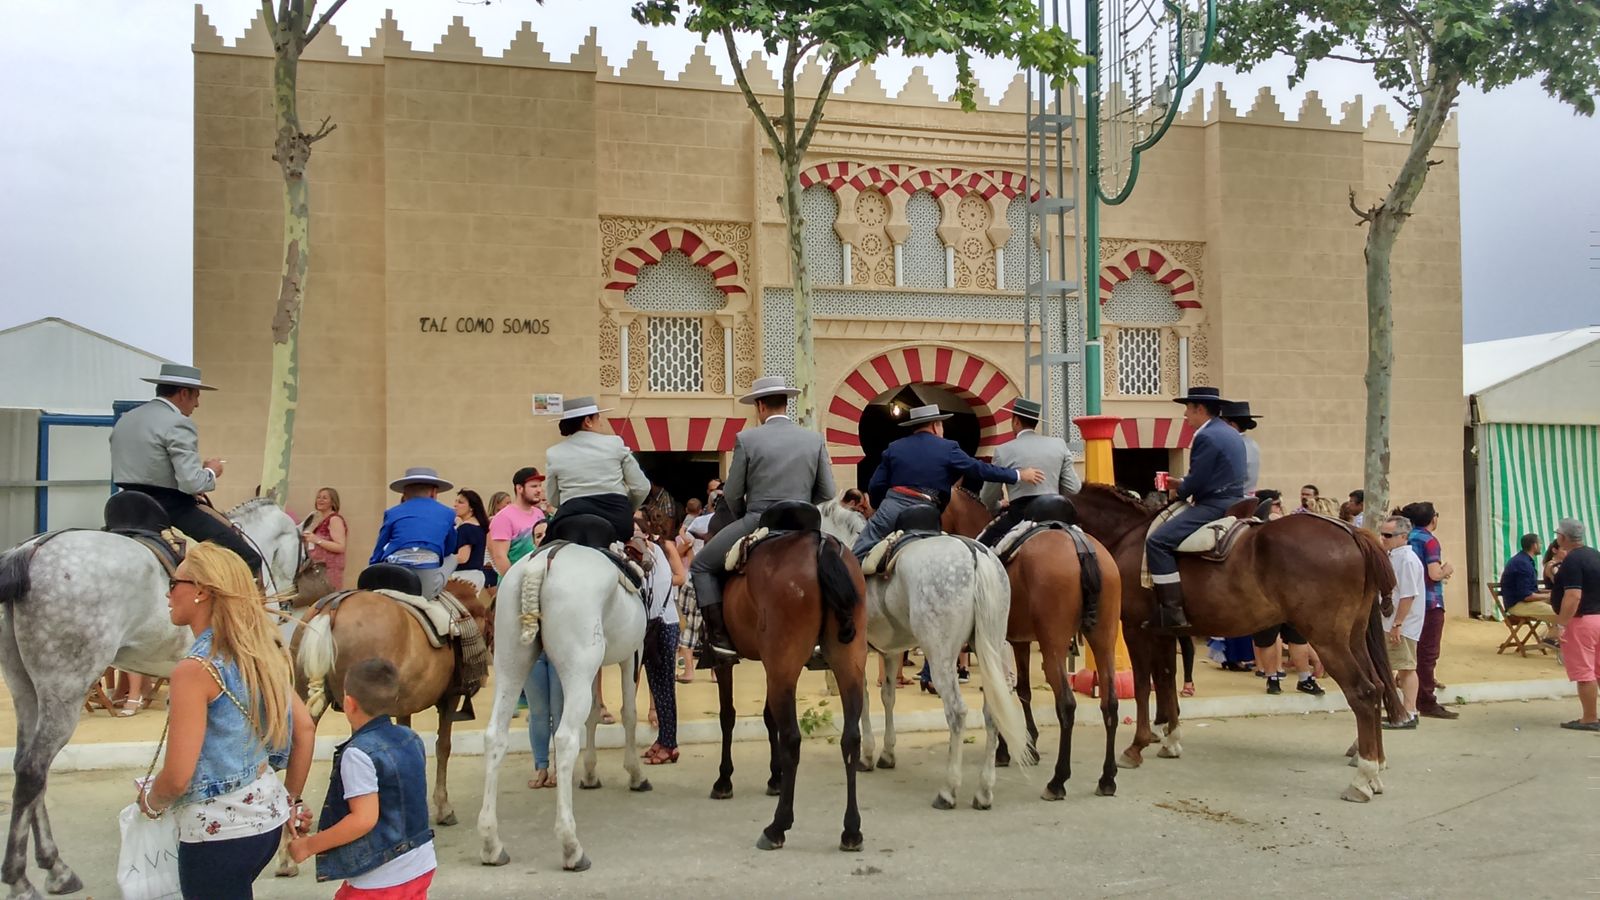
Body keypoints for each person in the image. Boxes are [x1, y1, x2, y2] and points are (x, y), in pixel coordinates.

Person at [136, 542, 316, 900]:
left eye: (174, 582)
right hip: (266, 819)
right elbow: (305, 729)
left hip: (216, 833)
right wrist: (292, 800)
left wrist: (150, 802)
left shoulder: (194, 670)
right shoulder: (261, 650)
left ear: (201, 590)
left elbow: (177, 777)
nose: (168, 592)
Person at [692, 376, 836, 658]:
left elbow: (732, 493)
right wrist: (803, 506)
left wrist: (745, 516)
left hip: (760, 519)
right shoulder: (813, 438)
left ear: (760, 406)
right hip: (804, 524)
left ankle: (719, 640)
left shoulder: (747, 439)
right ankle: (823, 636)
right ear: (786, 404)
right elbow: (828, 491)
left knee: (701, 566)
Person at [288, 658, 437, 897]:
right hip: (421, 863)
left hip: (382, 875)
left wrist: (308, 846)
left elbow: (363, 820)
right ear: (394, 699)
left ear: (348, 703)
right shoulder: (411, 737)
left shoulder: (357, 754)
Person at [110, 363, 263, 575]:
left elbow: (150, 465)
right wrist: (210, 471)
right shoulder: (178, 423)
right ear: (184, 393)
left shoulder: (127, 419)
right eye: (196, 396)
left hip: (125, 506)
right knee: (248, 557)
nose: (197, 404)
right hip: (169, 507)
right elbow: (192, 482)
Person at [853, 404, 1043, 559]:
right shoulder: (948, 448)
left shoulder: (894, 448)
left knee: (857, 554)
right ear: (936, 425)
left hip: (893, 507)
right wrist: (1018, 475)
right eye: (942, 425)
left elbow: (875, 485)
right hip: (928, 511)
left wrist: (881, 505)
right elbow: (980, 470)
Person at [1145, 387, 1247, 633]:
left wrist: (1178, 490)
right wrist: (1184, 483)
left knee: (1157, 541)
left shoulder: (1207, 436)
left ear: (1200, 409)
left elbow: (1198, 480)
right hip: (1235, 499)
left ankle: (1172, 610)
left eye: (1187, 410)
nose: (1185, 416)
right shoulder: (1230, 433)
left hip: (1214, 504)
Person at [544, 397, 651, 543]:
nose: (601, 423)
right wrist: (626, 507)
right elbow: (641, 487)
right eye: (598, 418)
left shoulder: (554, 453)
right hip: (616, 519)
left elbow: (553, 498)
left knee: (542, 555)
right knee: (635, 558)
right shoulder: (614, 443)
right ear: (588, 421)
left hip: (570, 520)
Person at [977, 397, 1080, 546]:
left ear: (1016, 421)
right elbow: (1074, 489)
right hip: (1058, 514)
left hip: (1021, 516)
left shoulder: (1003, 451)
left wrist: (998, 507)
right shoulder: (1059, 445)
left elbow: (987, 497)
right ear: (1035, 422)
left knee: (982, 549)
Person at [635, 512, 684, 765]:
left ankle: (670, 743)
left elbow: (677, 577)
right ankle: (663, 739)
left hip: (663, 624)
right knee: (657, 685)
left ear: (645, 533)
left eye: (636, 532)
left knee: (665, 688)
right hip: (653, 625)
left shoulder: (657, 551)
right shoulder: (641, 553)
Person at [1402, 501, 1458, 719]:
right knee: (1428, 654)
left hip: (1409, 602)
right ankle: (1426, 699)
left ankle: (1413, 696)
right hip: (1430, 602)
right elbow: (1434, 574)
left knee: (1412, 651)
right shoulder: (1429, 540)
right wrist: (1447, 569)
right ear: (1433, 519)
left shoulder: (1406, 538)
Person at [370, 467, 459, 598]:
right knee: (452, 558)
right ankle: (435, 593)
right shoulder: (448, 513)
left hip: (395, 569)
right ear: (434, 493)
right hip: (426, 570)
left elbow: (380, 547)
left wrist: (373, 567)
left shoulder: (392, 512)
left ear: (405, 494)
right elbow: (450, 547)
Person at [1552, 518, 1600, 731]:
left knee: (1585, 673)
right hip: (1598, 616)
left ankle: (1589, 718)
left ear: (1562, 537)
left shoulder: (1573, 561)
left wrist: (1561, 624)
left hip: (1582, 621)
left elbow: (1572, 596)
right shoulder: (1595, 555)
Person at [1380, 514, 1426, 728]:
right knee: (1393, 666)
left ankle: (1409, 712)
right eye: (1382, 534)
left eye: (1388, 535)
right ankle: (1401, 710)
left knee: (1406, 667)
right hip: (1390, 621)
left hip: (1401, 624)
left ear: (1403, 536)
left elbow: (1408, 595)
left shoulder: (1406, 559)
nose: (1383, 538)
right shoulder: (1392, 556)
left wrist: (1398, 624)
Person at [488, 467, 547, 577]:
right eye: (534, 486)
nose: (539, 490)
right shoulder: (503, 517)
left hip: (537, 580)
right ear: (519, 488)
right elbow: (500, 556)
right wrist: (514, 582)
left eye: (540, 486)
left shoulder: (539, 514)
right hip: (515, 584)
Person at [300, 487, 349, 589]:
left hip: (329, 570)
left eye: (324, 498)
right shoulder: (321, 520)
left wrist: (316, 540)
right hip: (317, 569)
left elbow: (340, 546)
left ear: (333, 502)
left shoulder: (334, 519)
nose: (320, 500)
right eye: (318, 497)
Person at [1500, 533, 1553, 617]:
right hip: (1517, 605)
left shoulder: (1524, 561)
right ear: (1534, 545)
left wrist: (1552, 593)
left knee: (1564, 606)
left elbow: (1530, 590)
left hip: (1523, 602)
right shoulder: (1523, 564)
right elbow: (1526, 595)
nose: (1541, 546)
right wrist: (1550, 596)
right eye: (1540, 543)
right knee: (1562, 614)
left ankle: (1555, 630)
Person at [451, 489, 494, 590]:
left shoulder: (465, 528)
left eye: (460, 502)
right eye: (456, 501)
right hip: (477, 575)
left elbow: (463, 557)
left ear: (471, 507)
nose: (455, 505)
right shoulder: (480, 527)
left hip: (463, 576)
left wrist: (442, 559)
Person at [1218, 400, 1262, 497]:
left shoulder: (1232, 445)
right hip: (1249, 498)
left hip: (1233, 500)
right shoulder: (1253, 443)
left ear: (1232, 425)